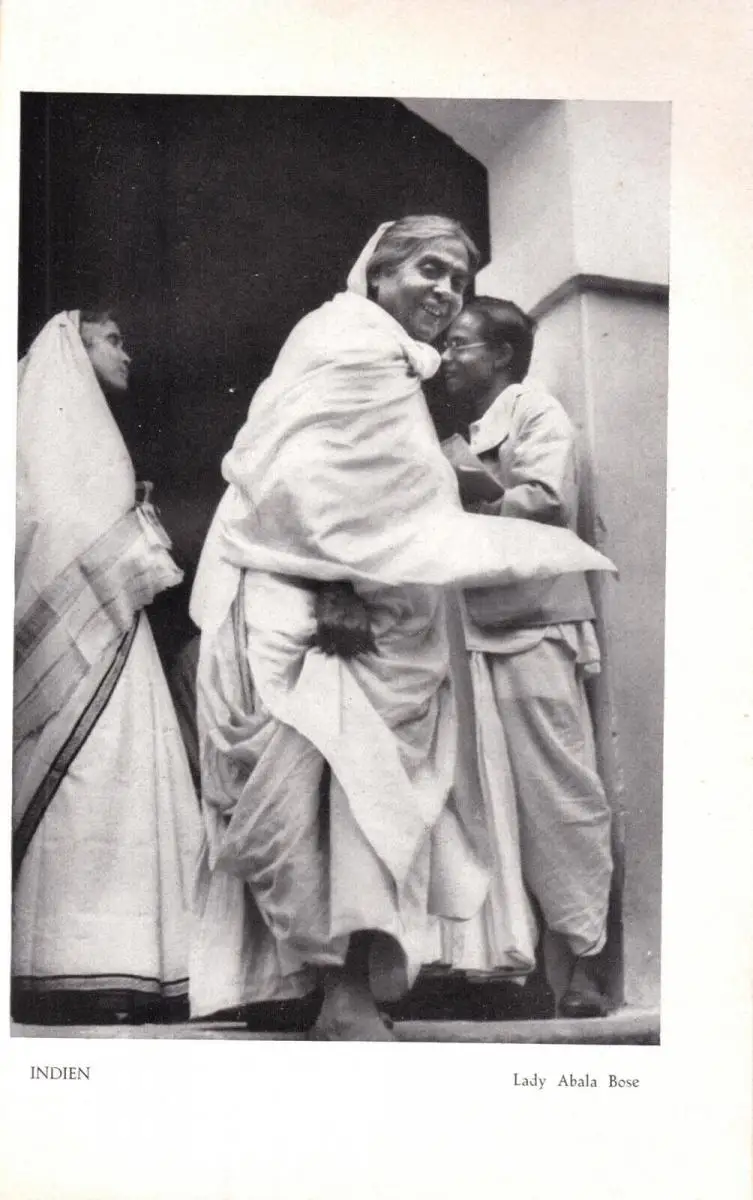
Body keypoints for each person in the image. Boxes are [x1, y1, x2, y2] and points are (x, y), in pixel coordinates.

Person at [189, 219, 615, 1040]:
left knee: (367, 795)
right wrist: (335, 579)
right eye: (429, 269)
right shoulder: (346, 343)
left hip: (379, 605)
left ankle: (337, 991)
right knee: (332, 788)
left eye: (458, 279)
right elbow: (297, 475)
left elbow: (386, 489)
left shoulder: (387, 362)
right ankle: (334, 994)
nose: (445, 291)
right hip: (315, 595)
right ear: (378, 273)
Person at [13, 309, 201, 1024]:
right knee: (88, 779)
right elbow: (51, 526)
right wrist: (133, 542)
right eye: (114, 341)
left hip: (114, 636)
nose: (128, 354)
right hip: (86, 642)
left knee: (127, 781)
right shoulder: (55, 426)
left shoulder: (93, 432)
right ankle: (70, 964)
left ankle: (132, 964)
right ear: (76, 344)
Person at [439, 296, 614, 1017]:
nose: (446, 356)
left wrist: (458, 485)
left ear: (501, 355)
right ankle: (520, 968)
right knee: (488, 803)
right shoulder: (472, 427)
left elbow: (542, 501)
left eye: (459, 344)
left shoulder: (536, 410)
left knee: (558, 793)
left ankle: (583, 963)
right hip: (473, 626)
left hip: (536, 626)